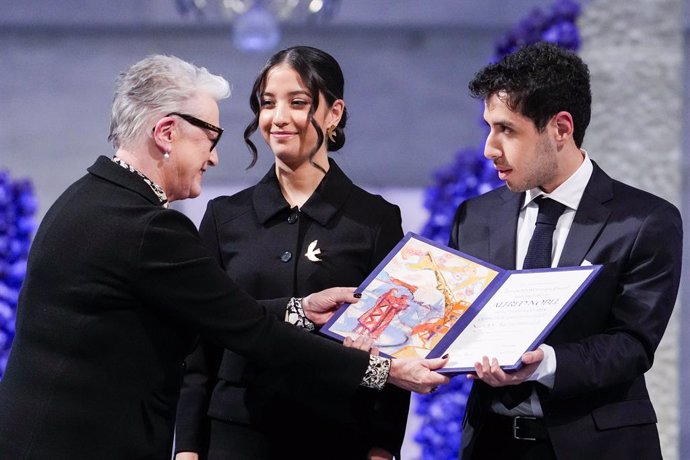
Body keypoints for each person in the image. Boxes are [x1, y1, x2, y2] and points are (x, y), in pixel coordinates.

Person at [0, 54, 450, 460]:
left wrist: (300, 309)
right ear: (166, 133)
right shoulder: (149, 227)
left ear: (334, 113)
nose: (214, 158)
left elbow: (217, 314)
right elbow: (244, 332)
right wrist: (383, 370)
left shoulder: (90, 197)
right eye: (210, 137)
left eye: (297, 102)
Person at [174, 46, 410, 460]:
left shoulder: (375, 220)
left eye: (298, 102)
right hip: (234, 436)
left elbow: (392, 342)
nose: (278, 118)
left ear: (333, 113)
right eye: (268, 104)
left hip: (338, 436)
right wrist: (189, 448)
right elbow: (198, 346)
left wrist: (382, 447)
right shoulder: (223, 217)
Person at [449, 42, 682, 460]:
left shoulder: (645, 220)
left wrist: (545, 362)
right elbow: (453, 320)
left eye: (507, 129)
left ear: (560, 128)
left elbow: (632, 344)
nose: (489, 148)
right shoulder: (474, 216)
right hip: (491, 444)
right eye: (488, 127)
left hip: (600, 446)